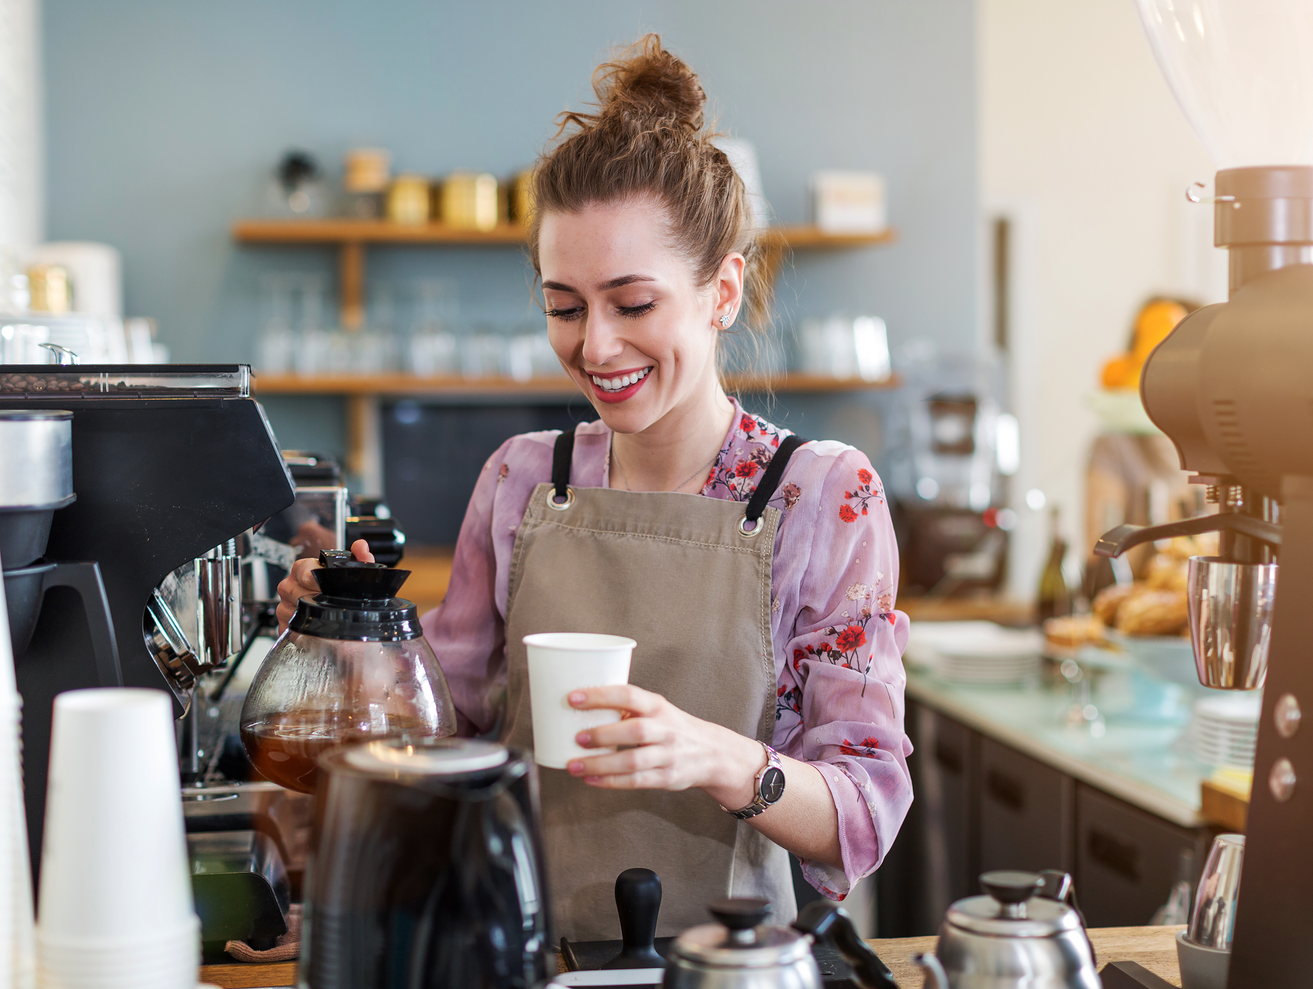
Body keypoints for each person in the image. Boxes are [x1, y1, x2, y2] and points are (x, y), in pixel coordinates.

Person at [277, 34, 912, 941]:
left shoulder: (821, 495)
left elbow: (865, 808)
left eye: (633, 303)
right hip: (524, 952)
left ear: (723, 291)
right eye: (564, 307)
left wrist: (717, 757)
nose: (596, 347)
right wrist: (352, 638)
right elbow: (442, 733)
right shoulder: (522, 478)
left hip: (731, 967)